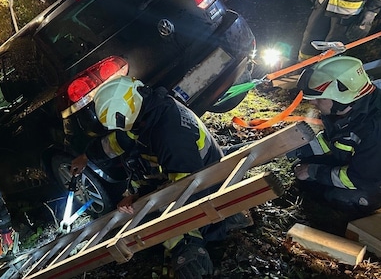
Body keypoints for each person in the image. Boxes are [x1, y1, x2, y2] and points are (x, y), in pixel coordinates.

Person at [70, 76, 252, 279]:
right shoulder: (148, 109)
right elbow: (119, 141)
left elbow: (185, 195)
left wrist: (185, 244)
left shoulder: (170, 135)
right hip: (191, 172)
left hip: (206, 183)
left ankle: (202, 246)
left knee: (166, 233)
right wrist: (87, 156)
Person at [292, 56, 381, 217]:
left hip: (372, 179)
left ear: (343, 97)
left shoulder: (375, 128)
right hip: (364, 165)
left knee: (338, 197)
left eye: (319, 98)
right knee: (302, 168)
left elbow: (360, 178)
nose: (312, 103)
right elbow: (335, 141)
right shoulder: (346, 110)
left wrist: (313, 171)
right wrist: (297, 147)